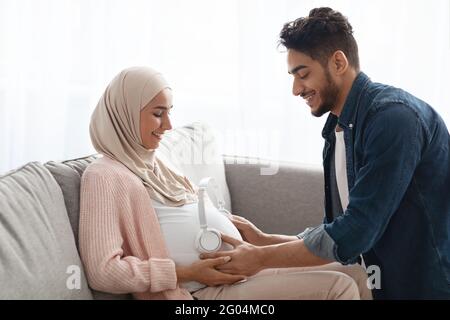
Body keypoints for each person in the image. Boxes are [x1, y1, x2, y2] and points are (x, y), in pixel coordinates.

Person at [201, 7, 450, 299]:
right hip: (378, 279)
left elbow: (355, 232)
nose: (295, 89)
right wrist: (268, 242)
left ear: (338, 62)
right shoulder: (338, 128)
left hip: (422, 287)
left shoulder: (394, 119)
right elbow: (340, 234)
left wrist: (261, 258)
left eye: (302, 74)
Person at [79, 66, 370, 300]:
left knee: (357, 273)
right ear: (126, 114)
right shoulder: (105, 175)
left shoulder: (154, 164)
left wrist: (252, 239)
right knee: (337, 288)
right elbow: (103, 271)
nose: (169, 126)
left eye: (170, 112)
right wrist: (186, 272)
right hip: (199, 293)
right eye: (158, 114)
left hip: (240, 272)